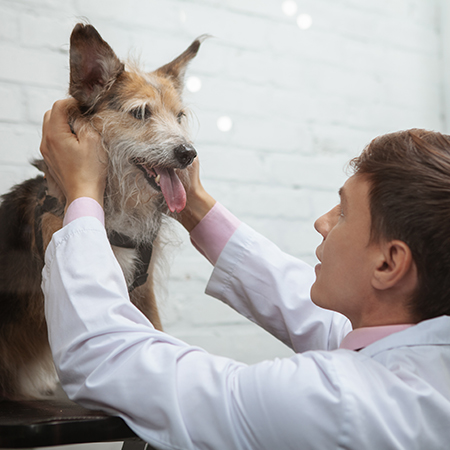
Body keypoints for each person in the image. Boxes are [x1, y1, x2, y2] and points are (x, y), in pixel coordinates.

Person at [40, 98, 450, 449]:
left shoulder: (339, 402)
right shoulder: (423, 358)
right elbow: (298, 301)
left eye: (343, 213)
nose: (322, 223)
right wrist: (193, 204)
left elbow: (106, 356)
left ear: (389, 264)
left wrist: (82, 193)